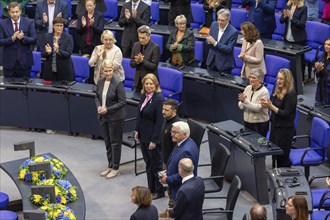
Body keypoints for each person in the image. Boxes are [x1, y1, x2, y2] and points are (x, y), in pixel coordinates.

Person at [134, 74, 165, 200]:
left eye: (151, 84)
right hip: (143, 136)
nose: (148, 86)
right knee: (148, 163)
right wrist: (137, 130)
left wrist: (154, 140)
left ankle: (160, 190)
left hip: (152, 138)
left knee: (156, 165)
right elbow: (139, 114)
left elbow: (159, 122)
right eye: (146, 84)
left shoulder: (159, 99)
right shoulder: (144, 96)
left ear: (156, 84)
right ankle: (151, 188)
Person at [96, 59, 126, 179]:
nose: (108, 73)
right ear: (102, 71)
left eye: (110, 71)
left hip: (115, 118)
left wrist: (107, 109)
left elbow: (122, 102)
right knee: (108, 142)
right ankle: (110, 165)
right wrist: (98, 106)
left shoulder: (118, 83)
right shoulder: (100, 81)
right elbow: (96, 96)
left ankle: (115, 168)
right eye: (105, 71)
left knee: (115, 143)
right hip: (103, 117)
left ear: (113, 70)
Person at [260, 68, 297, 167]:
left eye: (281, 79)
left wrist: (271, 106)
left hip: (285, 131)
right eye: (277, 78)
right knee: (275, 155)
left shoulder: (291, 94)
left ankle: (283, 179)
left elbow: (286, 114)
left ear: (287, 80)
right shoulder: (278, 89)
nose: (278, 81)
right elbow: (273, 103)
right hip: (275, 128)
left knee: (282, 158)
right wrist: (267, 103)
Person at [159, 121, 199, 209]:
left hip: (180, 189)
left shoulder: (186, 151)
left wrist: (168, 179)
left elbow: (184, 175)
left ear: (184, 134)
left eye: (175, 132)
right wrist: (168, 172)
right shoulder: (183, 142)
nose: (172, 134)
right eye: (171, 131)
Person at [0, 2, 37, 78]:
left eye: (17, 12)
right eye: (12, 12)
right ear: (9, 12)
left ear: (20, 11)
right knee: (10, 89)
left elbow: (34, 39)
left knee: (24, 88)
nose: (15, 14)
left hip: (25, 63)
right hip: (9, 64)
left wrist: (24, 38)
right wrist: (12, 38)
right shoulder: (2, 24)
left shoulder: (29, 22)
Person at [280, 0, 307, 81]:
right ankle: (288, 79)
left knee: (299, 61)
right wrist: (284, 16)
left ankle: (300, 80)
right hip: (287, 37)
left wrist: (291, 17)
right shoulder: (288, 6)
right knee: (288, 59)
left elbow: (302, 24)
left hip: (298, 39)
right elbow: (281, 21)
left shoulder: (303, 8)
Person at [205, 9, 238, 74]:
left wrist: (215, 43)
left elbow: (228, 49)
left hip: (224, 65)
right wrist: (208, 42)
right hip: (211, 62)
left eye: (222, 20)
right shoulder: (214, 25)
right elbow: (208, 40)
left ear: (228, 20)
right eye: (218, 19)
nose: (219, 22)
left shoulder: (233, 32)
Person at [238, 69, 270, 137]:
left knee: (259, 146)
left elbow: (258, 108)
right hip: (247, 122)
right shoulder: (247, 88)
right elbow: (241, 106)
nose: (251, 79)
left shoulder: (264, 92)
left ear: (260, 79)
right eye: (250, 77)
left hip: (260, 125)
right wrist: (242, 102)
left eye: (254, 78)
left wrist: (244, 101)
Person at [42, 17, 75, 81]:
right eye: (57, 25)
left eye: (61, 26)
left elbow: (68, 54)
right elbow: (42, 54)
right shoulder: (47, 37)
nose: (59, 28)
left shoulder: (68, 38)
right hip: (50, 70)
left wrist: (58, 51)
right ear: (53, 26)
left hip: (64, 70)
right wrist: (47, 52)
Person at [130, 25, 160, 93]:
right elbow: (131, 64)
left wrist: (142, 61)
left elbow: (154, 66)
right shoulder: (136, 45)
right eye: (139, 37)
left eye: (143, 38)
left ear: (149, 37)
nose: (141, 40)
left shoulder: (155, 47)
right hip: (138, 81)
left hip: (150, 82)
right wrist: (137, 62)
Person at [160, 99, 180, 166]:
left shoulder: (176, 125)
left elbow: (176, 148)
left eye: (166, 110)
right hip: (165, 158)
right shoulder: (166, 119)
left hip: (171, 162)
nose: (163, 112)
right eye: (163, 109)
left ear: (174, 111)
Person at [315, 37, 330, 105]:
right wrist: (318, 70)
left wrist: (322, 69)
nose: (326, 46)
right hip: (320, 86)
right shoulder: (322, 56)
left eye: (329, 45)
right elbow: (317, 74)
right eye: (325, 44)